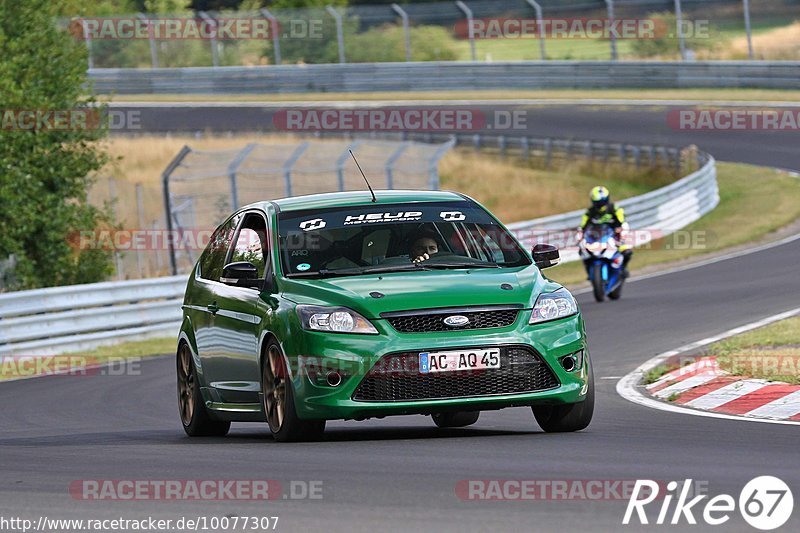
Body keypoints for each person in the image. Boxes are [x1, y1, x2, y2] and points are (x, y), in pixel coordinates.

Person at [577, 186, 632, 277]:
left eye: (603, 201)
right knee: (583, 252)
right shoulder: (590, 212)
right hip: (597, 237)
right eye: (598, 203)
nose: (601, 205)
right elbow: (582, 227)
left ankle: (623, 268)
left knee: (627, 251)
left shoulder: (614, 209)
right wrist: (580, 237)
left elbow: (623, 222)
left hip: (614, 236)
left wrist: (621, 231)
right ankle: (590, 272)